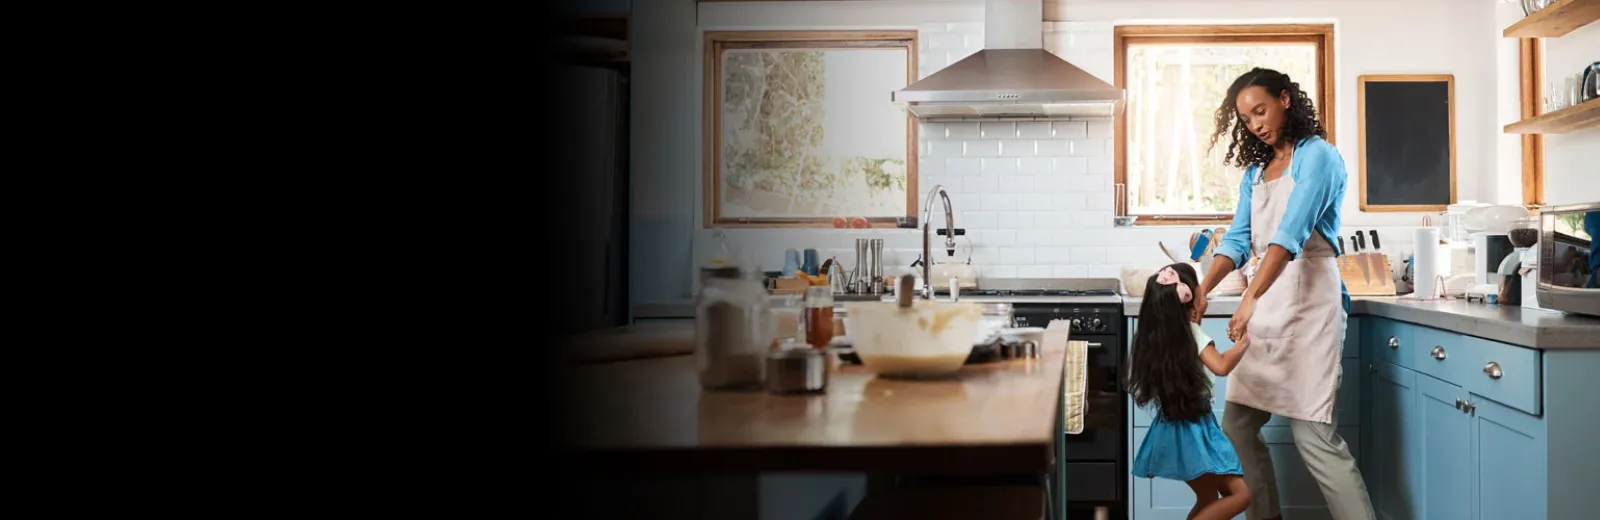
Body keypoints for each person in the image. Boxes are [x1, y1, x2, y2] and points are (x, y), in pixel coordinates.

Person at [1194, 67, 1375, 520]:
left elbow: (1290, 235)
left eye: (1261, 110)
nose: (1255, 124)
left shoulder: (1320, 157)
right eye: (1246, 118)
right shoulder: (1254, 173)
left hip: (1311, 300)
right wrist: (1201, 290)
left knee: (1313, 434)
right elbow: (1238, 241)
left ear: (1286, 99)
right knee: (1237, 424)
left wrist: (1249, 297)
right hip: (1269, 301)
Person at [1127, 263, 1253, 520]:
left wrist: (1198, 312)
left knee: (1207, 498)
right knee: (1241, 496)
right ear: (1189, 297)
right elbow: (1221, 366)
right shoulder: (1191, 333)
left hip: (1172, 427)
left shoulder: (1157, 335)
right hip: (1196, 431)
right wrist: (1245, 341)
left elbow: (1190, 343)